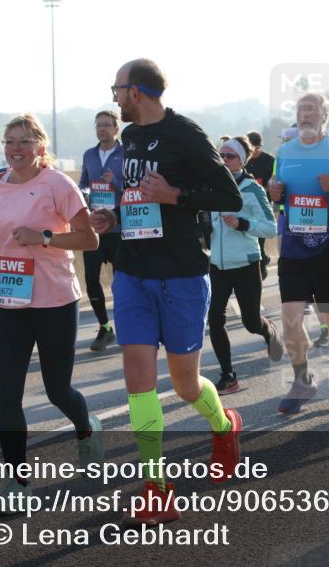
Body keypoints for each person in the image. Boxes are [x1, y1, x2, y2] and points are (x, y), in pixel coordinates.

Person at [91, 59, 244, 525]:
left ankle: (224, 425)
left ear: (136, 91)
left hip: (180, 274)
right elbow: (138, 195)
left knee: (183, 385)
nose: (113, 98)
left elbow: (229, 197)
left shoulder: (187, 135)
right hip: (133, 273)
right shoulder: (132, 137)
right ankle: (156, 488)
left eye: (117, 89)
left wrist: (175, 197)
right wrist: (116, 217)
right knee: (139, 384)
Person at [0, 114, 104, 513]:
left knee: (57, 390)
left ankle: (86, 427)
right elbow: (2, 231)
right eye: (10, 142)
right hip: (9, 302)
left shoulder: (57, 184)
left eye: (25, 142)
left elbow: (89, 239)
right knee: (8, 394)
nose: (16, 149)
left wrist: (44, 238)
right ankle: (17, 482)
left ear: (40, 147)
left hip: (55, 301)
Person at [267, 92, 329, 414]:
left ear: (325, 116)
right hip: (294, 248)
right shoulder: (284, 152)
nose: (305, 115)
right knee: (290, 321)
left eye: (312, 110)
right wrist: (275, 193)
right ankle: (303, 380)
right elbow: (278, 196)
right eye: (301, 110)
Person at [207, 136, 284, 394]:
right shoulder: (212, 187)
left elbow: (270, 228)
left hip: (245, 263)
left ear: (242, 160)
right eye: (221, 156)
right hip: (217, 265)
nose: (224, 160)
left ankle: (269, 332)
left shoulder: (252, 189)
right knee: (215, 320)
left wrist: (243, 224)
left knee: (251, 321)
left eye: (230, 156)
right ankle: (228, 376)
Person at [77, 110, 124, 352]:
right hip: (95, 227)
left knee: (121, 282)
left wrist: (114, 181)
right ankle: (104, 327)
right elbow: (83, 183)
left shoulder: (126, 154)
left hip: (119, 227)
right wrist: (85, 193)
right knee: (91, 279)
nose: (102, 129)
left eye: (107, 125)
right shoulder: (89, 155)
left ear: (117, 129)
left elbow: (133, 188)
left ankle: (126, 325)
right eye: (98, 125)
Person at [244, 131, 276, 281]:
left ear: (259, 147)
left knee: (260, 240)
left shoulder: (270, 161)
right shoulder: (243, 160)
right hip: (245, 207)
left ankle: (260, 271)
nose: (249, 152)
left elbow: (275, 182)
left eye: (252, 148)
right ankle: (261, 261)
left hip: (263, 208)